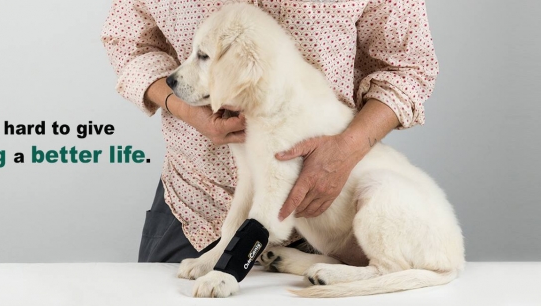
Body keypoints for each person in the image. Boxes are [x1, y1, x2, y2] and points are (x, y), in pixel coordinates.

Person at [101, 0, 438, 263]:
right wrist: (185, 107)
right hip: (198, 208)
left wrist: (346, 148)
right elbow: (129, 44)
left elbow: (408, 67)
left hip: (329, 214)